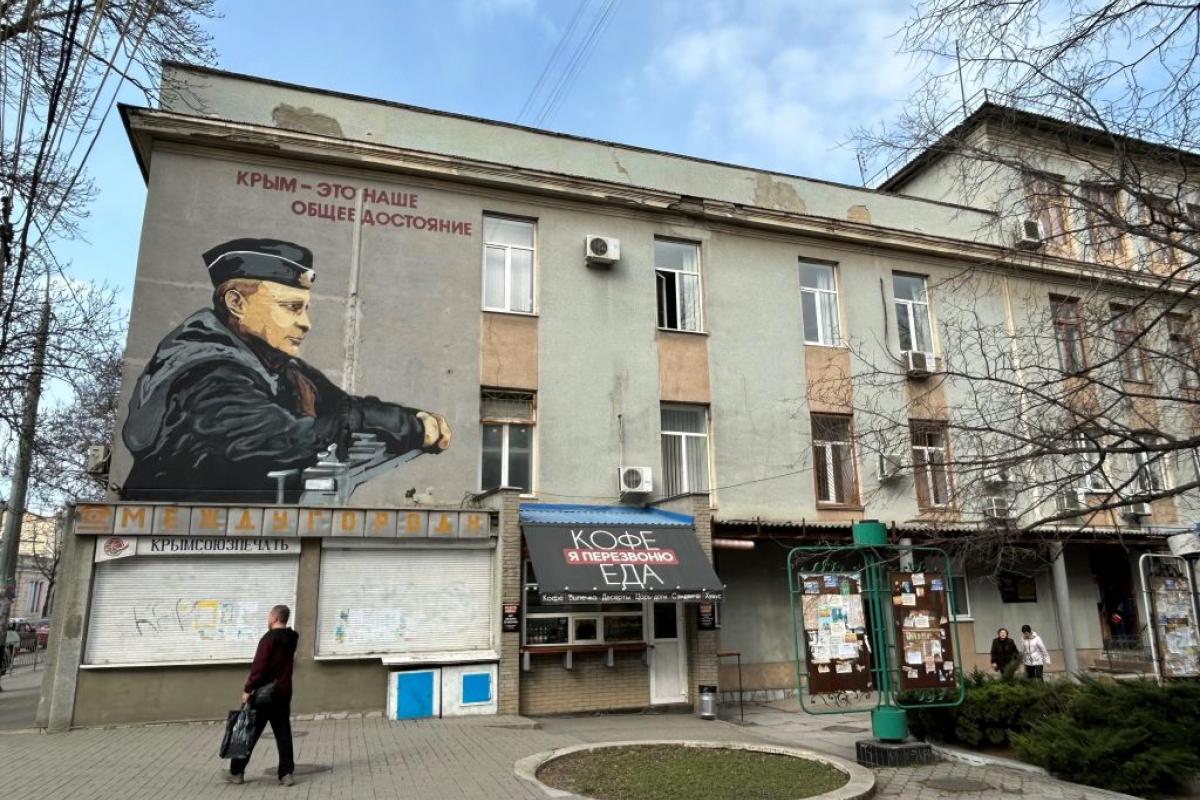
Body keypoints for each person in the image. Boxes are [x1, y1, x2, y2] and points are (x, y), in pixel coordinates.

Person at [122, 238, 453, 503]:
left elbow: (343, 408)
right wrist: (393, 425)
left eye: (305, 309)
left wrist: (411, 419)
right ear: (237, 303)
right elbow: (289, 440)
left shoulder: (279, 366)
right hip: (186, 547)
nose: (306, 323)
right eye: (292, 308)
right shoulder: (204, 375)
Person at [220, 604, 299, 786]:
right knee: (283, 734)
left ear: (275, 617)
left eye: (269, 615)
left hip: (264, 694)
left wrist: (248, 689)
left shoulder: (268, 639)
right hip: (283, 692)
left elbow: (259, 667)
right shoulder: (292, 638)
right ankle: (286, 774)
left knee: (250, 732)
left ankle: (236, 772)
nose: (267, 618)